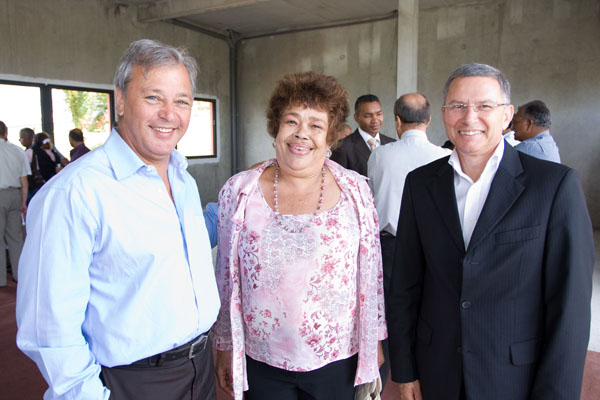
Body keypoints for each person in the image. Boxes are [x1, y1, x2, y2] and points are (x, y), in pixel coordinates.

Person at [16, 39, 221, 400]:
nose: (169, 114)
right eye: (153, 97)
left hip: (198, 370)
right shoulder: (74, 194)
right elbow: (48, 330)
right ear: (122, 100)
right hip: (132, 383)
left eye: (182, 101)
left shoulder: (182, 179)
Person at [387, 63, 594, 400]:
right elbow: (406, 284)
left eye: (484, 106)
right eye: (458, 106)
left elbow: (569, 308)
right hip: (437, 370)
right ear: (443, 114)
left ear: (507, 115)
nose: (469, 118)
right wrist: (405, 370)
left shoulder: (554, 185)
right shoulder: (421, 184)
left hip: (514, 376)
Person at [213, 71, 386, 400]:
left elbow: (372, 273)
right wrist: (223, 345)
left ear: (330, 135)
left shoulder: (356, 192)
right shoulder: (239, 192)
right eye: (291, 122)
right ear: (276, 128)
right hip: (260, 360)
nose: (301, 134)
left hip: (337, 358)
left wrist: (373, 340)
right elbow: (225, 276)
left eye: (315, 125)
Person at [367, 92, 450, 389]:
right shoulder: (445, 157)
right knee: (430, 306)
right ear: (429, 120)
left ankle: (387, 374)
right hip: (434, 247)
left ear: (397, 121)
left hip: (389, 245)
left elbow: (372, 196)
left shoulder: (380, 154)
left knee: (392, 309)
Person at [330, 94, 395, 176]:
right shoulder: (342, 147)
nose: (375, 120)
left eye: (379, 114)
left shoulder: (392, 144)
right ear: (356, 118)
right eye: (368, 116)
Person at [0, 121, 30, 286]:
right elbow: (24, 180)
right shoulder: (17, 151)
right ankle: (19, 275)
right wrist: (23, 202)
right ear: (6, 133)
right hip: (15, 194)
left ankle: (1, 279)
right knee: (16, 237)